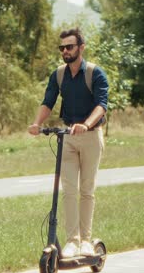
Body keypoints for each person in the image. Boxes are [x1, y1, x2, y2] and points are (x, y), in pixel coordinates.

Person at [28, 28, 109, 258]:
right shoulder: (59, 75)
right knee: (69, 191)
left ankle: (86, 240)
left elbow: (101, 105)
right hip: (68, 137)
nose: (65, 51)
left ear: (81, 48)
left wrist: (87, 124)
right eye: (62, 48)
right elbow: (48, 102)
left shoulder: (95, 73)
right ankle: (72, 241)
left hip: (91, 136)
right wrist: (36, 123)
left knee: (86, 190)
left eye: (69, 47)